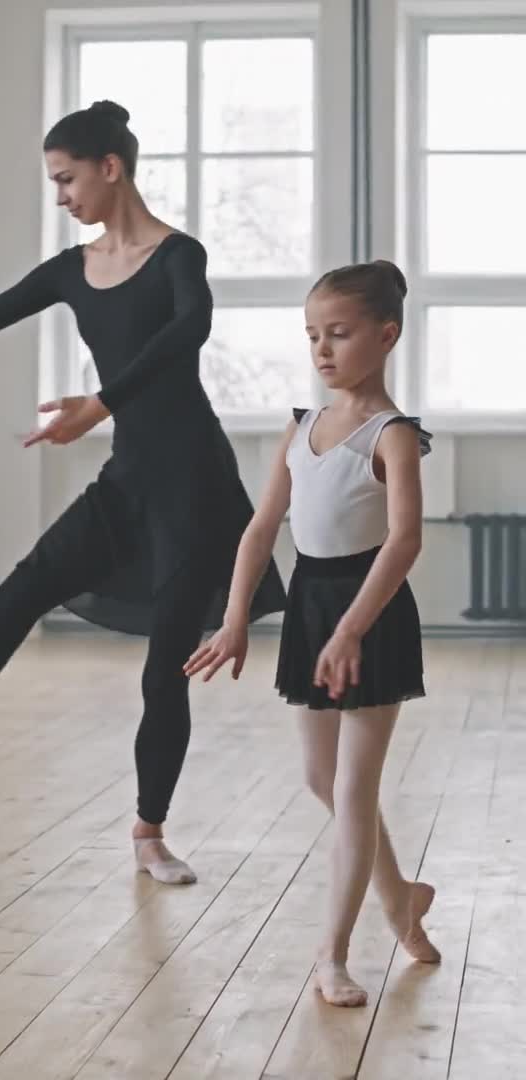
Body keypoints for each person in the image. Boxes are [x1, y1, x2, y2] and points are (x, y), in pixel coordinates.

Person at [0, 100, 285, 886]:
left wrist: (102, 401)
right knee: (8, 610)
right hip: (125, 482)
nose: (61, 196)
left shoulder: (180, 255)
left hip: (194, 486)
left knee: (165, 670)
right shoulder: (69, 270)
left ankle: (149, 834)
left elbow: (189, 330)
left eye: (66, 179)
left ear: (109, 168)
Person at [185, 259, 440, 1004]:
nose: (322, 349)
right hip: (310, 608)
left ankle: (331, 955)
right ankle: (401, 899)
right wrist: (235, 620)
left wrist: (354, 628)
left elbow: (404, 542)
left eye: (339, 333)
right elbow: (262, 528)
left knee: (354, 789)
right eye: (312, 336)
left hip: (371, 614)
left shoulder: (392, 436)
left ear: (386, 335)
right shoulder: (300, 427)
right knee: (319, 778)